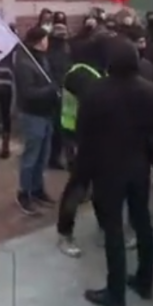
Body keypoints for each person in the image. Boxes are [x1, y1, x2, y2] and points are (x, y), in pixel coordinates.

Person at [77, 38, 153, 306]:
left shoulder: (96, 92)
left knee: (113, 228)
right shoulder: (152, 92)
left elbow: (84, 134)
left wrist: (85, 171)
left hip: (107, 169)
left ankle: (116, 293)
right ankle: (145, 280)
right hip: (139, 166)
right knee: (142, 223)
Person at [54, 33, 109, 257]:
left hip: (91, 137)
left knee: (101, 187)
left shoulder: (91, 71)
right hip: (79, 138)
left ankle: (105, 229)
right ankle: (65, 234)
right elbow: (94, 106)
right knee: (77, 187)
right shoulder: (81, 75)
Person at [13, 26, 60, 215]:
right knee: (31, 156)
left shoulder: (42, 59)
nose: (48, 42)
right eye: (46, 38)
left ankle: (38, 189)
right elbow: (28, 93)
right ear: (39, 41)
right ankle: (24, 193)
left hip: (47, 114)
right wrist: (50, 89)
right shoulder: (25, 63)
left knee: (43, 156)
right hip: (33, 115)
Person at [46, 23, 73, 169]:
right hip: (57, 91)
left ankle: (59, 157)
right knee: (59, 127)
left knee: (62, 127)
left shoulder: (66, 48)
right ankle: (55, 157)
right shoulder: (55, 50)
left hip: (64, 89)